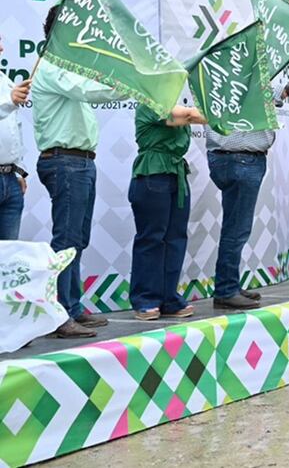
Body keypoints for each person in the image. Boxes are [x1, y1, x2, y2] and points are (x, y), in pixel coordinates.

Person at [33, 59, 126, 338]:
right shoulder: (52, 67)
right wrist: (129, 86)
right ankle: (59, 314)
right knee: (67, 239)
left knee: (77, 238)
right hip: (65, 161)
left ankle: (71, 307)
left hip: (79, 162)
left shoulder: (67, 69)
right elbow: (87, 90)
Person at [207, 77, 289, 310]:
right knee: (237, 228)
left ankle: (229, 284)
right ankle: (226, 289)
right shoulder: (237, 77)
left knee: (234, 226)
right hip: (241, 158)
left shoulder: (219, 76)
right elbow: (251, 93)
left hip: (231, 158)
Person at [128, 103, 207, 321]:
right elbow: (190, 116)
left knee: (176, 238)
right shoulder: (149, 103)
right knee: (152, 238)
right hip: (153, 173)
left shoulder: (175, 105)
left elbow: (195, 116)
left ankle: (168, 297)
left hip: (176, 173)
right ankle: (145, 299)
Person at [0, 33, 30, 240]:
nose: (1, 48)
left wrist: (19, 172)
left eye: (1, 42)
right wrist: (8, 102)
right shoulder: (9, 91)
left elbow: (15, 129)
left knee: (7, 260)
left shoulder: (6, 82)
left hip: (10, 180)